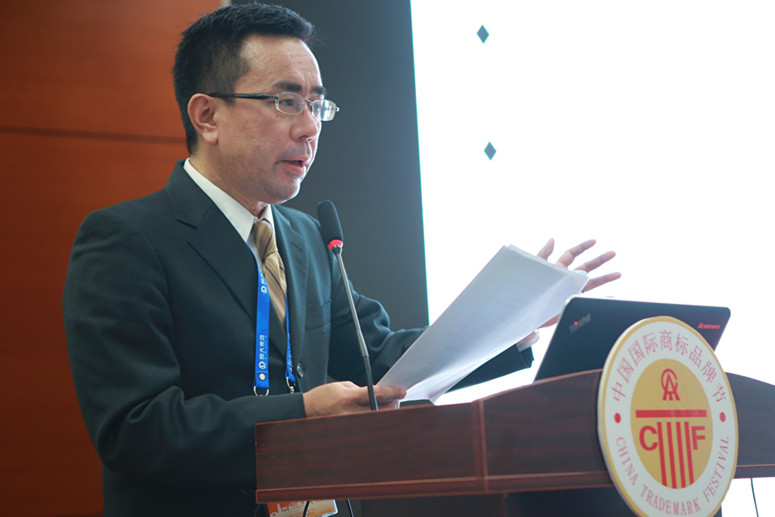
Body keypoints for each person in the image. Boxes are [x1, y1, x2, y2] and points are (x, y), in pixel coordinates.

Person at [62, 4, 619, 516]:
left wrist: (511, 321)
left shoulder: (305, 236)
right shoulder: (128, 239)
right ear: (207, 116)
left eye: (316, 104)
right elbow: (135, 429)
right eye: (285, 101)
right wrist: (301, 414)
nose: (309, 127)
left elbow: (380, 361)